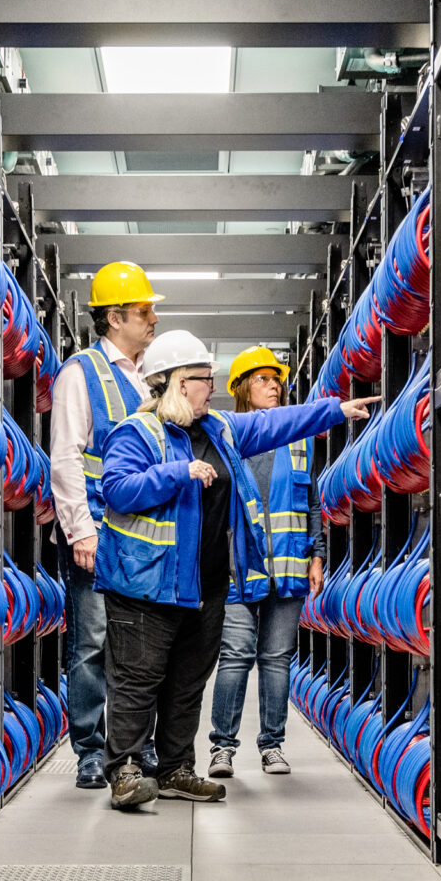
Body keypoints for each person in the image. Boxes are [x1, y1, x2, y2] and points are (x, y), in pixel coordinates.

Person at [93, 330, 376, 809]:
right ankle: (125, 771)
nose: (213, 387)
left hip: (204, 586)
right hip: (144, 586)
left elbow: (274, 425)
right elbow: (117, 489)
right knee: (138, 683)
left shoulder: (221, 430)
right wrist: (176, 474)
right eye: (205, 379)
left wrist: (334, 410)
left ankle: (176, 770)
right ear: (180, 382)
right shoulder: (137, 433)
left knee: (187, 684)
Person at [48, 260, 162, 787]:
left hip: (145, 541)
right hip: (98, 536)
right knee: (92, 645)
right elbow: (67, 457)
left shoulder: (149, 377)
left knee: (141, 648)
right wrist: (81, 531)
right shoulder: (81, 372)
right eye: (144, 310)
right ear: (115, 317)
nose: (153, 318)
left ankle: (136, 746)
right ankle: (92, 751)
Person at [206, 347, 315, 778]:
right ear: (242, 390)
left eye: (277, 379)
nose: (274, 386)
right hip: (237, 568)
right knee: (235, 655)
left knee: (276, 658)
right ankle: (222, 748)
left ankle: (272, 745)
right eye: (263, 379)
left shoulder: (297, 439)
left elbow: (313, 503)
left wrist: (318, 555)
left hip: (288, 570)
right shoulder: (225, 439)